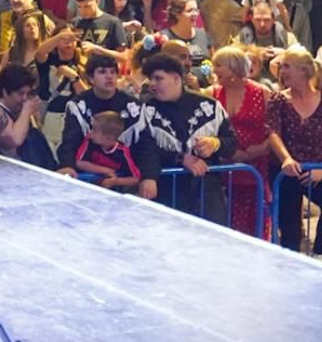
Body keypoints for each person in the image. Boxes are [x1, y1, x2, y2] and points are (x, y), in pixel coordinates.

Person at [133, 53, 237, 222]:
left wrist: (215, 143)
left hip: (206, 194)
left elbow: (232, 143)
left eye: (158, 79)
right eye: (150, 79)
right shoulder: (146, 109)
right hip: (167, 194)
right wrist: (180, 158)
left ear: (175, 78)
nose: (152, 84)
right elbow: (143, 149)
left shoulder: (209, 106)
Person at [266, 49, 322, 257]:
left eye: (287, 66)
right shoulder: (279, 101)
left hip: (317, 169)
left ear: (303, 71)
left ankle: (319, 254)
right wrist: (286, 159)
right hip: (288, 170)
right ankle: (291, 265)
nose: (282, 71)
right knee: (290, 223)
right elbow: (272, 132)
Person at [210, 47, 271, 237]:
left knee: (254, 222)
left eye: (219, 65)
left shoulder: (263, 93)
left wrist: (258, 150)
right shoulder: (211, 93)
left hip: (256, 165)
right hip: (223, 166)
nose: (214, 70)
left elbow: (276, 130)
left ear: (234, 67)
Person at [56, 53, 141, 172]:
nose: (109, 76)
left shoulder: (133, 106)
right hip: (86, 173)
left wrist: (148, 177)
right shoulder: (78, 105)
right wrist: (68, 166)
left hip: (124, 174)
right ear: (91, 78)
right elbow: (69, 141)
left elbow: (144, 144)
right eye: (102, 72)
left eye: (113, 72)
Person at [73, 111, 142, 191]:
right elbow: (78, 163)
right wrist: (104, 170)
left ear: (108, 138)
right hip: (85, 186)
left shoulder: (122, 152)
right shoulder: (89, 141)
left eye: (94, 130)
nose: (90, 132)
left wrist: (116, 181)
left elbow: (136, 178)